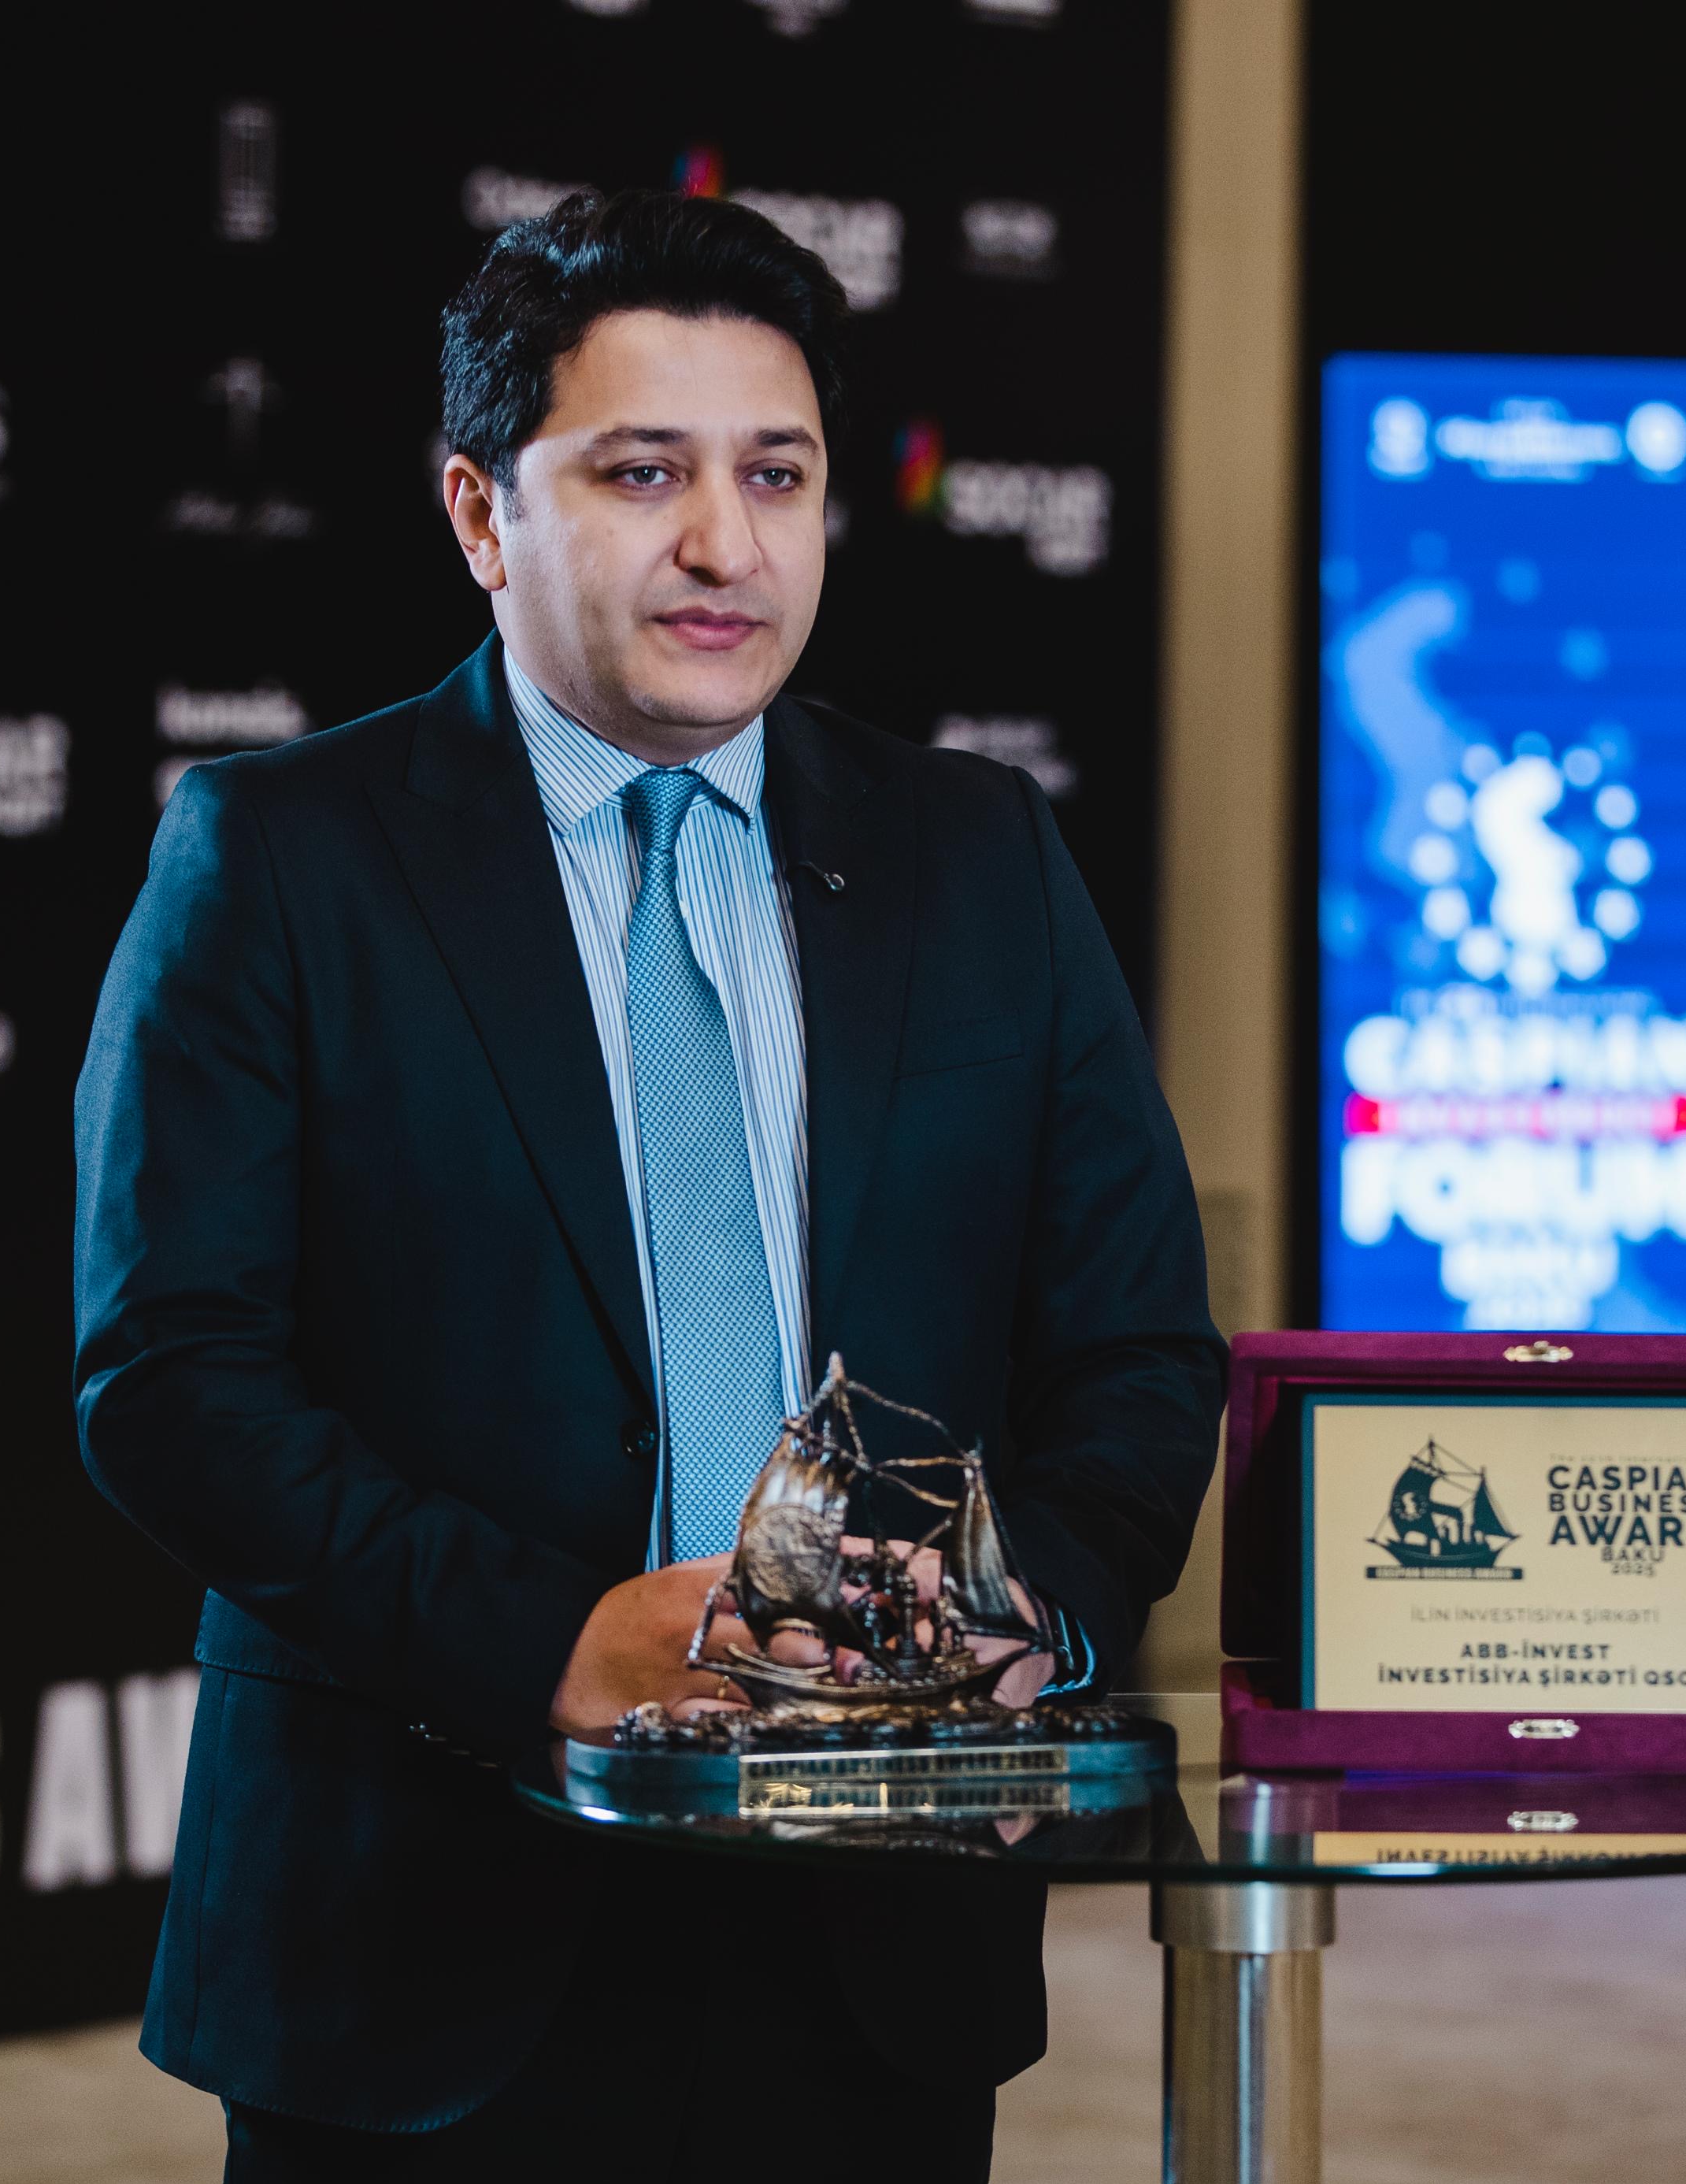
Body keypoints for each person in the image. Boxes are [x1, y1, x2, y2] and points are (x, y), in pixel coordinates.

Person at [73, 187, 1221, 2182]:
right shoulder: (279, 857)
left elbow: (1133, 1351)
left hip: (879, 1926)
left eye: (775, 474)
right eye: (641, 472)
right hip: (418, 1930)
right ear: (478, 514)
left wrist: (1027, 1614)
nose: (725, 543)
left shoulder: (980, 857)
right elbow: (171, 1379)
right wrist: (557, 1643)